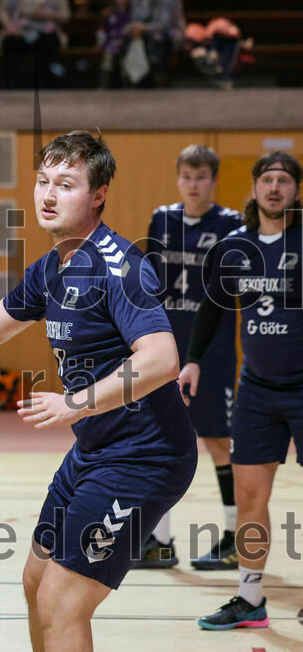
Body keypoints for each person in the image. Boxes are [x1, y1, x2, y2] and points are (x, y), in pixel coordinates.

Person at [0, 131, 197, 652]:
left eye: (66, 184)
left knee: (62, 601)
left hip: (145, 456)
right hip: (95, 450)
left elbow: (161, 359)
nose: (48, 196)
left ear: (97, 195)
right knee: (36, 582)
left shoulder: (118, 267)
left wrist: (72, 403)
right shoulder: (53, 267)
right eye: (43, 182)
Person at [180, 151, 303, 631]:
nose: (275, 187)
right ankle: (250, 597)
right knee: (250, 495)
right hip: (256, 388)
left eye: (284, 180)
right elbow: (212, 309)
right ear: (254, 189)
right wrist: (192, 360)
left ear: (295, 191)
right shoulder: (235, 247)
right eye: (267, 179)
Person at [138, 145, 242, 571]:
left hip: (212, 349)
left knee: (218, 441)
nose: (193, 184)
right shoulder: (163, 218)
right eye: (186, 176)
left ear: (214, 180)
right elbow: (150, 281)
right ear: (178, 178)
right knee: (164, 437)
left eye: (201, 176)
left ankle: (236, 534)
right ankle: (160, 541)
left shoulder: (232, 224)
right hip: (167, 343)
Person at [126, 0, 185, 88]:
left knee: (155, 40)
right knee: (124, 40)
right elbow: (135, 18)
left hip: (168, 33)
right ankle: (132, 85)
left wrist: (143, 28)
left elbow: (164, 24)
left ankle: (158, 85)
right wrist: (134, 28)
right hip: (143, 33)